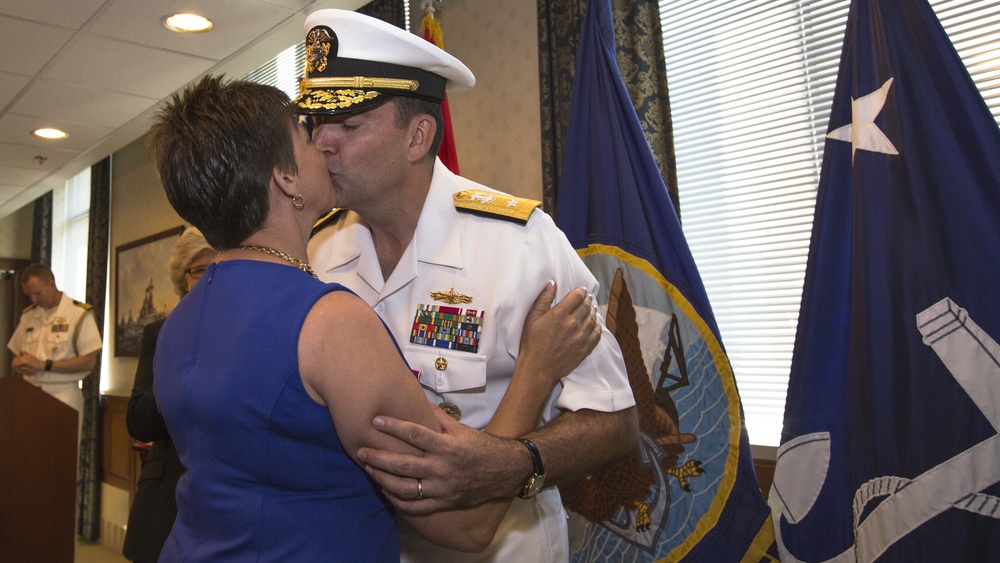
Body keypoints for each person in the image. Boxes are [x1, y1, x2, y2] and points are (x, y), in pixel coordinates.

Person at [146, 74, 601, 561]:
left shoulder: (182, 320)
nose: (321, 141)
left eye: (343, 124)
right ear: (285, 177)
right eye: (307, 131)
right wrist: (535, 371)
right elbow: (465, 524)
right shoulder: (330, 319)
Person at [296, 9, 639, 562]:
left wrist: (513, 463)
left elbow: (616, 420)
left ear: (418, 136)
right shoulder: (317, 251)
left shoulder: (520, 243)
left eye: (349, 125)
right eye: (316, 124)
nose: (322, 144)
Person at [122, 226, 214, 563]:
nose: (210, 277)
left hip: (226, 499)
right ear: (183, 279)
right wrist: (179, 358)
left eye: (221, 264)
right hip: (166, 494)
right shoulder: (160, 333)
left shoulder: (249, 329)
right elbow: (138, 422)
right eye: (201, 268)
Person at [8, 263, 102, 436]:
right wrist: (20, 364)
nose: (34, 299)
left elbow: (89, 362)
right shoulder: (29, 315)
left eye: (37, 293)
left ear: (52, 284)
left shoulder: (78, 314)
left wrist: (44, 365)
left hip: (63, 395)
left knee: (61, 458)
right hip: (29, 394)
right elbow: (16, 355)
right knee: (28, 455)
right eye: (29, 295)